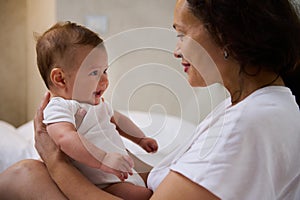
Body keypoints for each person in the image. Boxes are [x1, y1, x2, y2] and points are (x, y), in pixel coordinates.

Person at [0, 0, 300, 199]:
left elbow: (117, 125)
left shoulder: (251, 122)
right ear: (59, 78)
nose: (176, 50)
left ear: (227, 36)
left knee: (24, 175)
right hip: (107, 177)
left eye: (181, 34)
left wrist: (55, 162)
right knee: (23, 173)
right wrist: (122, 162)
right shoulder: (245, 108)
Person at [36, 21, 157, 199]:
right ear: (60, 79)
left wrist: (140, 139)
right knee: (144, 195)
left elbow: (118, 120)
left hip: (117, 172)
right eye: (94, 73)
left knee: (155, 186)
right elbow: (65, 138)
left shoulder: (96, 103)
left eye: (105, 71)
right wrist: (103, 159)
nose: (105, 80)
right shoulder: (59, 107)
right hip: (100, 183)